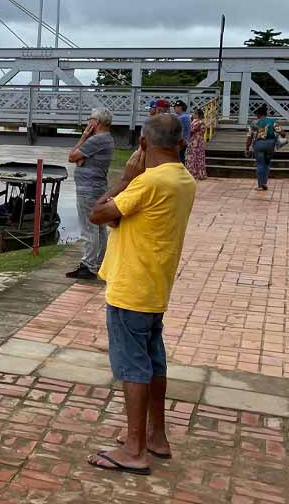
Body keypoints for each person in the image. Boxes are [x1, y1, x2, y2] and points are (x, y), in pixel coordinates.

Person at [85, 114, 196, 476]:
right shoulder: (184, 179)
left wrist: (125, 178)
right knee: (153, 360)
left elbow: (98, 213)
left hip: (131, 285)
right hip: (156, 284)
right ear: (180, 143)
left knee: (132, 366)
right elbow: (127, 217)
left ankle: (134, 450)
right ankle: (155, 435)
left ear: (144, 145)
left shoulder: (146, 182)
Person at [65, 108, 115, 280]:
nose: (88, 123)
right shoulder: (107, 139)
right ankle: (99, 262)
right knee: (99, 226)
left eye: (90, 119)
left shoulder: (96, 140)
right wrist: (81, 158)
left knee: (89, 227)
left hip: (88, 188)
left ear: (96, 122)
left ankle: (88, 266)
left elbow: (72, 157)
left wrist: (84, 137)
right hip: (98, 186)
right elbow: (78, 159)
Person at [245, 105, 282, 191]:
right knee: (267, 164)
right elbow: (283, 133)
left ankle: (260, 186)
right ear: (265, 113)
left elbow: (249, 137)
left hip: (259, 144)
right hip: (270, 144)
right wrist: (278, 138)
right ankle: (264, 183)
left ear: (258, 114)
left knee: (260, 164)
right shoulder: (273, 122)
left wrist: (247, 148)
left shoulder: (254, 123)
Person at [185, 109, 207, 180]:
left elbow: (190, 130)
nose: (192, 115)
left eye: (193, 113)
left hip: (195, 141)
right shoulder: (202, 122)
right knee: (200, 158)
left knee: (193, 157)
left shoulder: (196, 122)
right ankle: (201, 173)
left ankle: (193, 173)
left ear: (197, 114)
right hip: (200, 141)